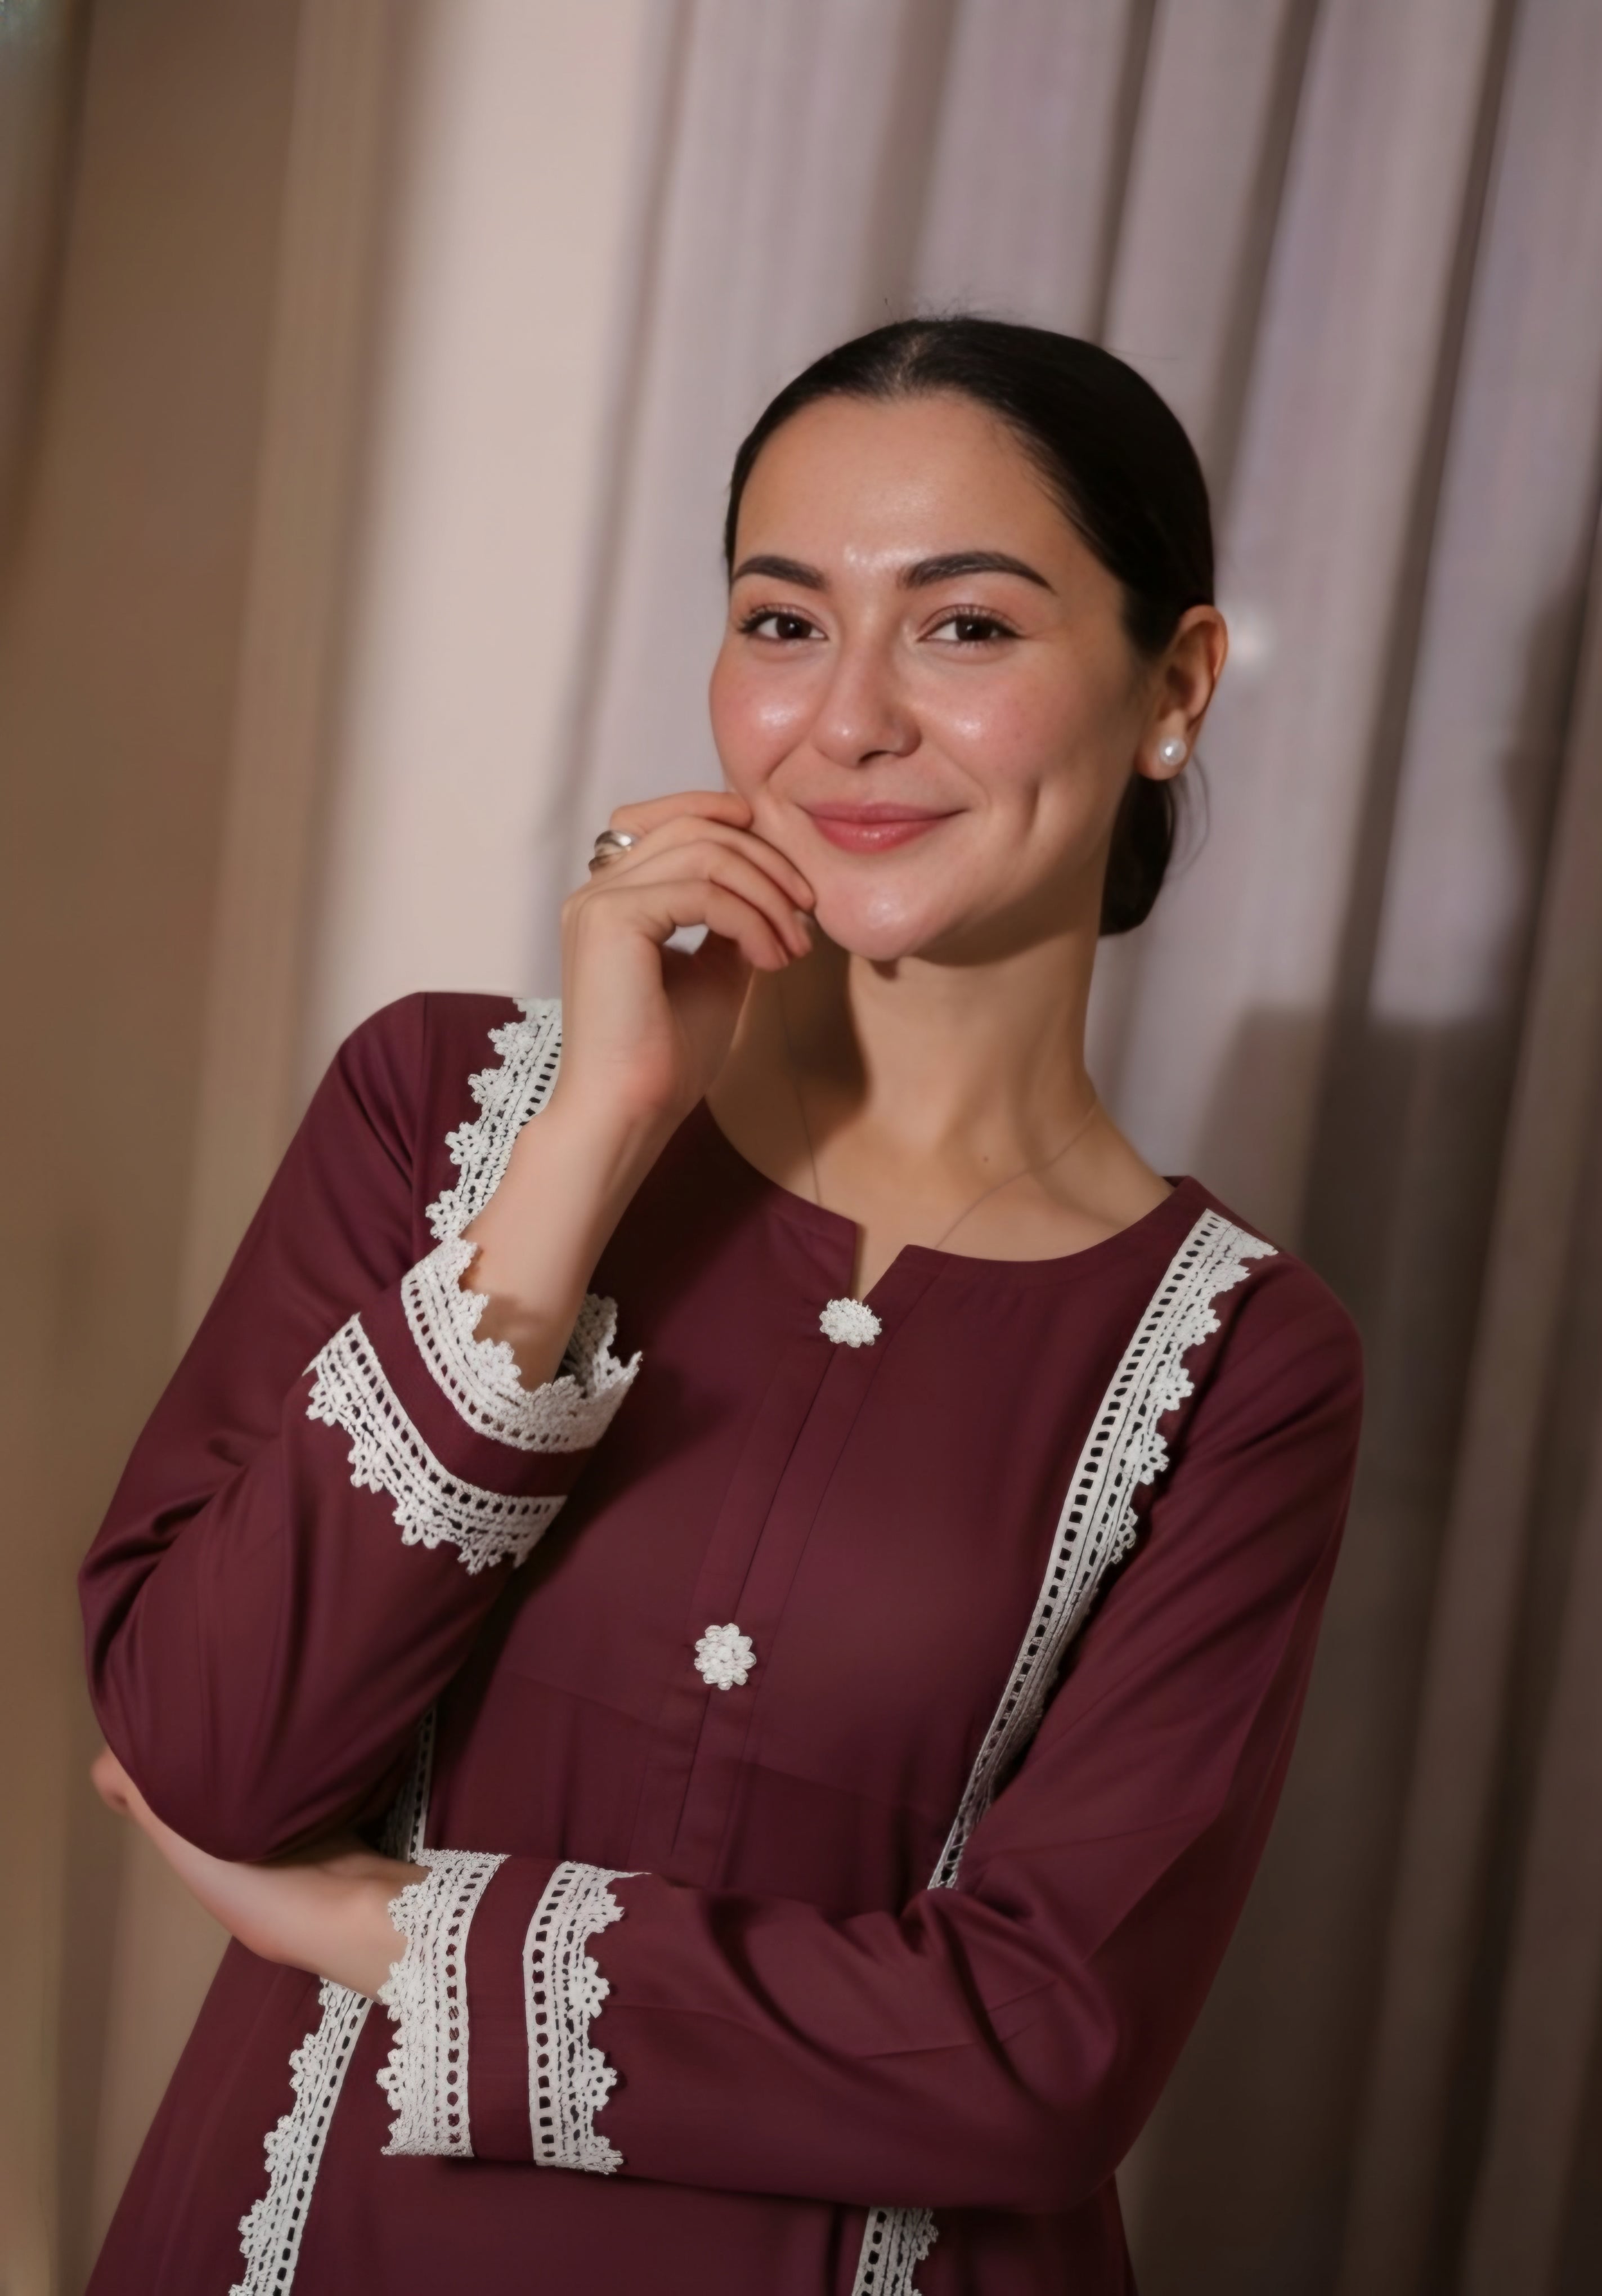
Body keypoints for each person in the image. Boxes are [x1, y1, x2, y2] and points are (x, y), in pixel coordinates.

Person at [80, 316, 1361, 2296]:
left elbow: (1035, 2055)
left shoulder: (1236, 1362)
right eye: (781, 621)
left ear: (1173, 686)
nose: (842, 720)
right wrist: (593, 1131)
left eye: (964, 629)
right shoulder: (444, 1109)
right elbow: (211, 1750)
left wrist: (382, 1936)